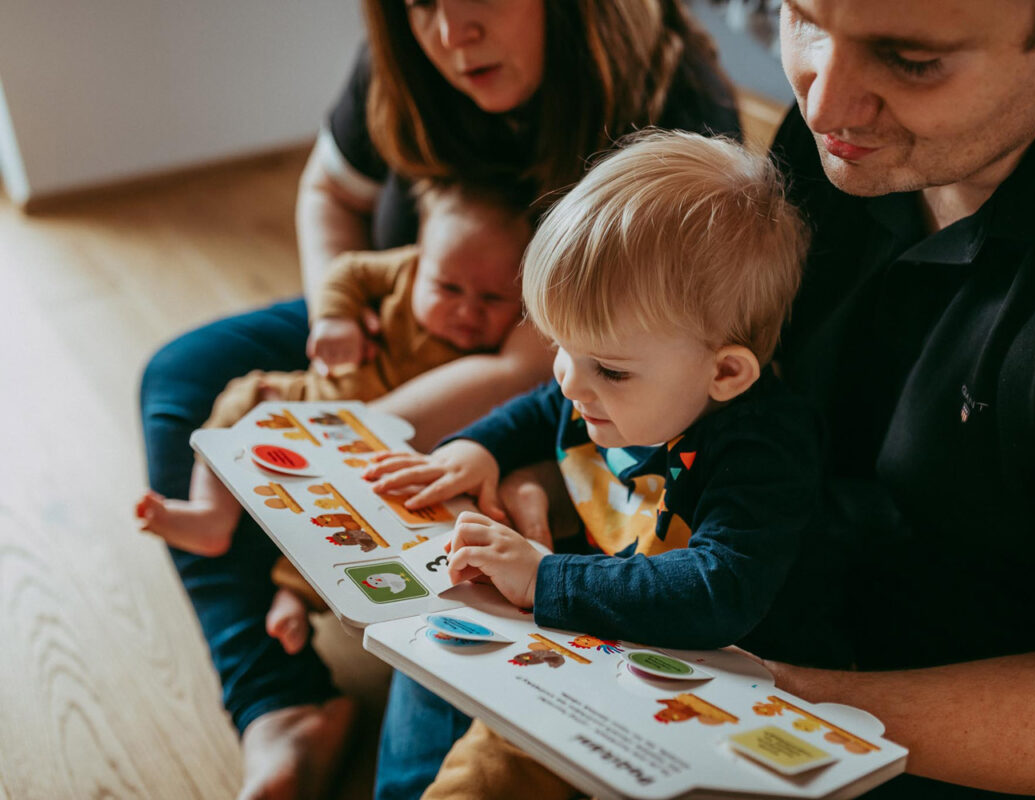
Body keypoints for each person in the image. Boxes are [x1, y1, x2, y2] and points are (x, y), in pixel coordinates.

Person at [137, 1, 740, 797]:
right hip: (398, 315)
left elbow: (532, 372)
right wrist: (335, 322)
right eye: (421, 3)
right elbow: (328, 189)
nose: (452, 33)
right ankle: (278, 699)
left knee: (455, 547)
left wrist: (327, 431)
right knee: (182, 381)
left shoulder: (663, 113)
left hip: (528, 370)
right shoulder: (409, 61)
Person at [751, 0, 1035, 797]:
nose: (821, 102)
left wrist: (750, 702)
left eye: (911, 61)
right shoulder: (854, 128)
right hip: (809, 627)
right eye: (804, 18)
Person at [365, 130, 842, 799]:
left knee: (490, 772)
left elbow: (718, 591)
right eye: (559, 344)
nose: (569, 383)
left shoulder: (764, 448)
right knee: (432, 641)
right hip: (592, 624)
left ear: (725, 373)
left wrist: (544, 578)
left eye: (608, 369)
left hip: (694, 683)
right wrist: (478, 447)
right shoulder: (603, 388)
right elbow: (538, 409)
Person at [136, 181, 530, 652]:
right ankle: (211, 513)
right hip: (318, 394)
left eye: (491, 300)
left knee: (361, 525)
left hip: (406, 443)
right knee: (246, 396)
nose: (467, 310)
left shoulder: (505, 340)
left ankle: (296, 595)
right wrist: (336, 318)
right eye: (448, 288)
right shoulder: (402, 268)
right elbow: (346, 272)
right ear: (420, 258)